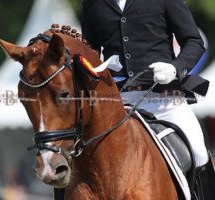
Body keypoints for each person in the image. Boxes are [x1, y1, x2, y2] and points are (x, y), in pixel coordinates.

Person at [81, 0, 215, 199]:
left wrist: (176, 68)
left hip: (164, 100)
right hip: (118, 102)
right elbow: (90, 55)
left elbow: (194, 41)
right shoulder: (93, 4)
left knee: (198, 152)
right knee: (75, 157)